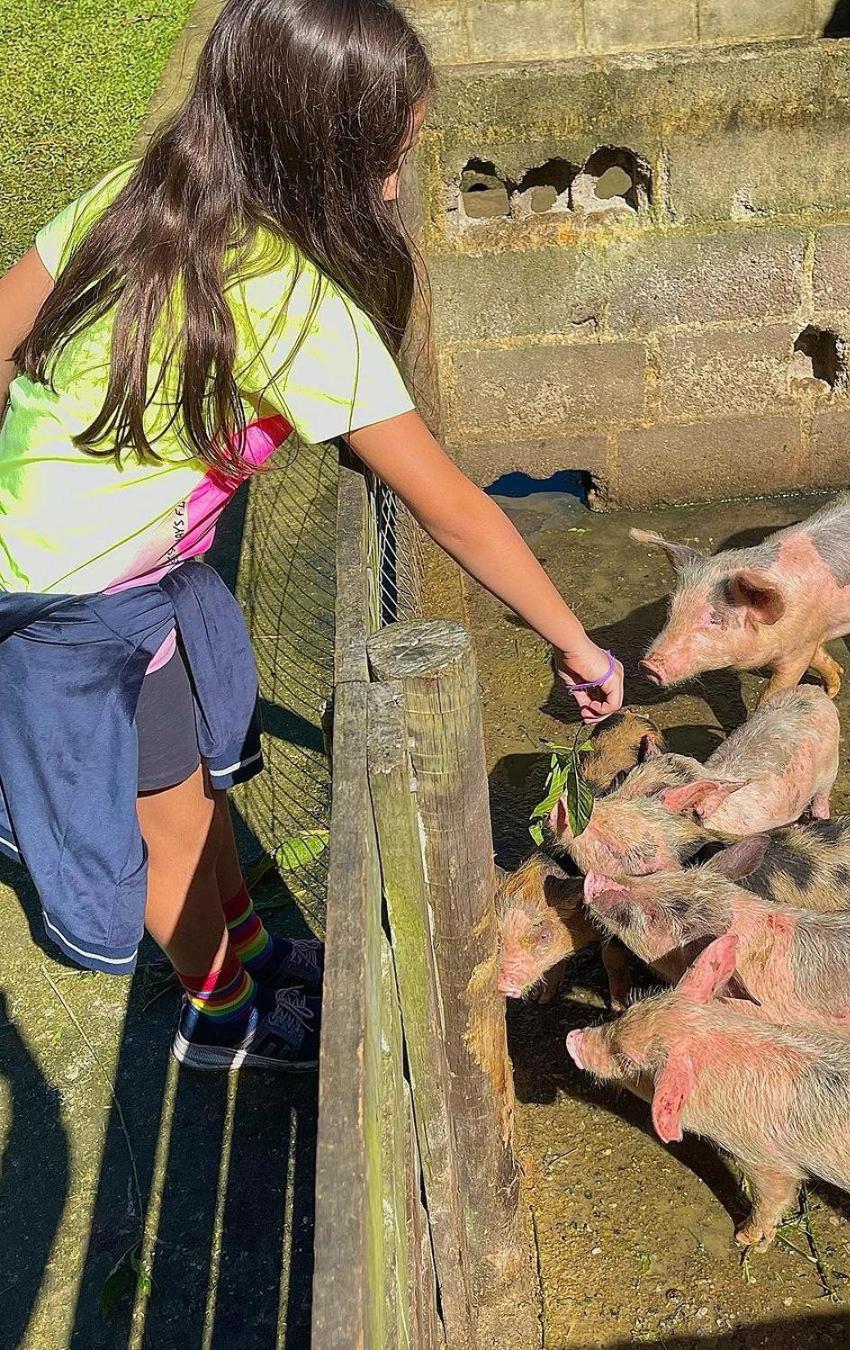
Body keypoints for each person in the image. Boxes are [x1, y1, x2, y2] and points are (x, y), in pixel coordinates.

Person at [0, 0, 623, 1073]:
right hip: (77, 605)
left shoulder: (136, 195)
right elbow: (456, 509)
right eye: (393, 152)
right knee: (175, 826)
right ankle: (221, 1017)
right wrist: (577, 641)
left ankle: (246, 945)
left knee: (197, 788)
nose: (397, 179)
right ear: (319, 150)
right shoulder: (300, 312)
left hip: (82, 568)